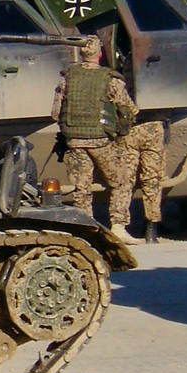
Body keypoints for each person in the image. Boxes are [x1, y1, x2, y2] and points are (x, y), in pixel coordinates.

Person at [50, 35, 140, 244]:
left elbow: (55, 113)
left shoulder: (67, 77)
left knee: (82, 188)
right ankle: (118, 226)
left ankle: (86, 230)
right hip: (101, 142)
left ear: (82, 53)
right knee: (121, 180)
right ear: (99, 54)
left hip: (74, 141)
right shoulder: (110, 78)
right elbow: (129, 109)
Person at [117, 120, 166, 243]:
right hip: (152, 126)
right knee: (152, 180)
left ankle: (119, 225)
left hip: (128, 127)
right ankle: (151, 230)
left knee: (125, 180)